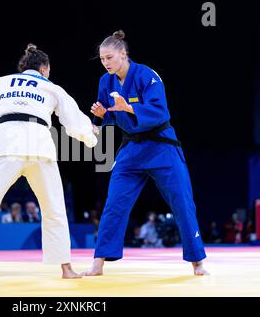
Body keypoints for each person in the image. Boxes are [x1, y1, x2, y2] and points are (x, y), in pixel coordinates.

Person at [0, 43, 98, 280]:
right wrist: (90, 137)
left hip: (6, 143)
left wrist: (4, 124)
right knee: (54, 210)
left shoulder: (0, 82)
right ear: (45, 68)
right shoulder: (51, 87)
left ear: (22, 67)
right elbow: (73, 119)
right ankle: (66, 269)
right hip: (40, 146)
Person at [84, 30, 208, 276]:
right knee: (114, 204)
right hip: (131, 149)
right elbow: (110, 115)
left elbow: (160, 112)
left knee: (182, 203)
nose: (106, 62)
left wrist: (128, 106)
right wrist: (101, 116)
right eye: (102, 59)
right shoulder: (104, 82)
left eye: (109, 57)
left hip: (161, 146)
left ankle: (198, 263)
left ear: (123, 54)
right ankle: (97, 264)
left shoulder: (147, 76)